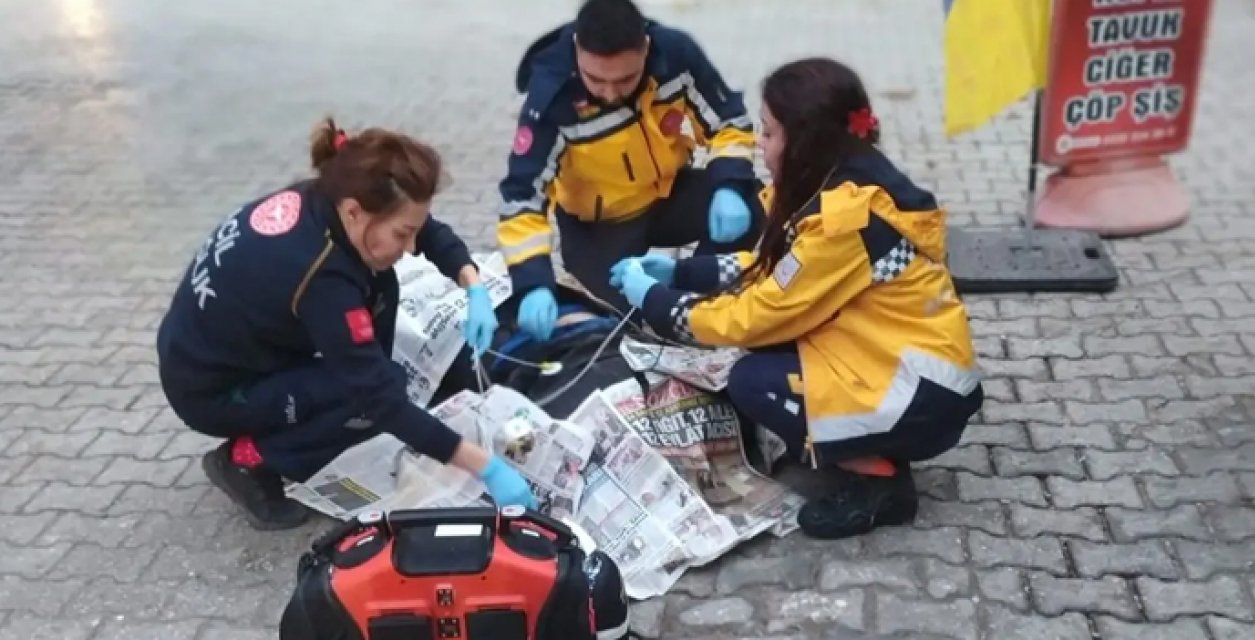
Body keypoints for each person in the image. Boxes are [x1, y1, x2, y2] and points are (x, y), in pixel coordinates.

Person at [611, 58, 985, 540]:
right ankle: (846, 439)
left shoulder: (845, 222)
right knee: (768, 350)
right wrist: (683, 271)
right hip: (895, 359)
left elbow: (758, 312)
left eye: (767, 134)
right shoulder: (841, 182)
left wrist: (658, 303)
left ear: (804, 141)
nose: (760, 148)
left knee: (752, 380)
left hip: (922, 394)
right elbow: (779, 274)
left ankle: (883, 483)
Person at [155, 118, 536, 531]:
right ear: (355, 212)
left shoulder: (331, 195)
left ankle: (344, 398)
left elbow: (424, 229)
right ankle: (248, 459)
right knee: (369, 399)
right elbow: (379, 399)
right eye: (401, 234)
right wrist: (486, 466)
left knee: (381, 285)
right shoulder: (322, 277)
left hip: (220, 348)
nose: (411, 247)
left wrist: (472, 283)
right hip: (213, 389)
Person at [496, 0, 764, 337]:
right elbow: (523, 196)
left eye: (625, 79)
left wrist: (729, 185)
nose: (610, 93)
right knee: (638, 325)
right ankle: (668, 321)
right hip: (599, 227)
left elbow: (729, 120)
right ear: (578, 49)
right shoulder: (552, 99)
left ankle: (700, 298)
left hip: (666, 195)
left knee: (750, 205)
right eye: (595, 79)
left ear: (646, 48)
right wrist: (533, 281)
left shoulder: (676, 56)